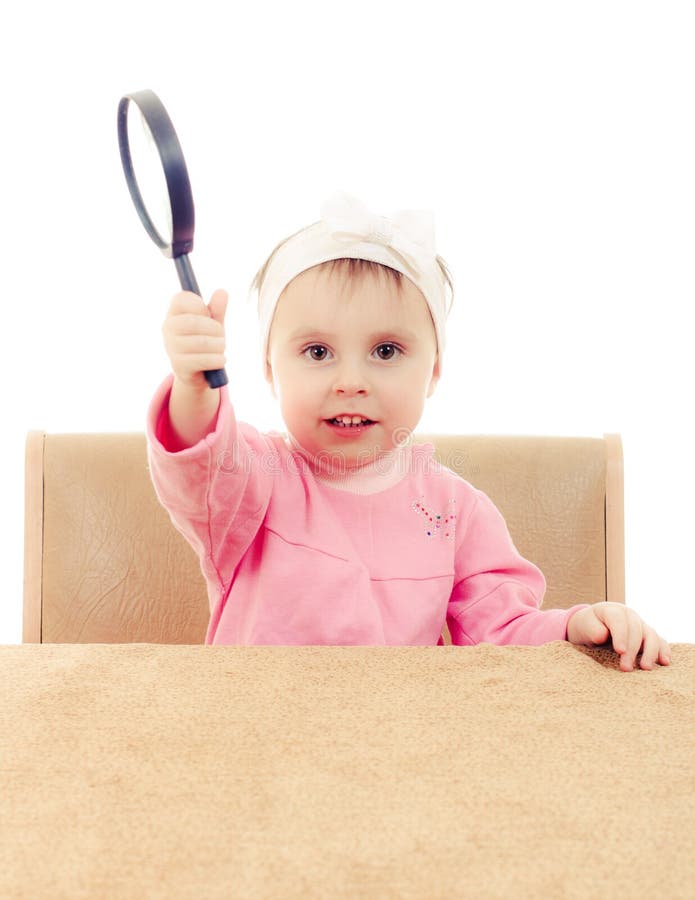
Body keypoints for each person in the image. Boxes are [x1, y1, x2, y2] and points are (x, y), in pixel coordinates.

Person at [146, 191, 671, 672]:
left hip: (397, 752)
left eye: (386, 351)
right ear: (268, 369)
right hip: (256, 737)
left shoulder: (454, 510)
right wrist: (196, 386)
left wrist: (573, 626)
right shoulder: (254, 480)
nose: (351, 382)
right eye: (317, 352)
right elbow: (199, 462)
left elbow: (500, 632)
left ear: (434, 371)